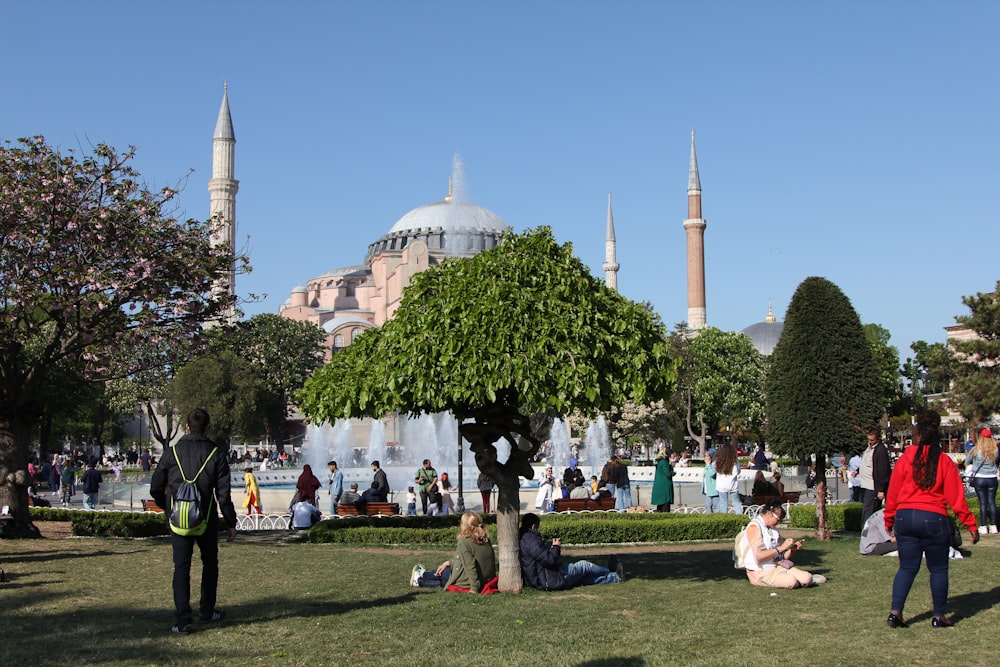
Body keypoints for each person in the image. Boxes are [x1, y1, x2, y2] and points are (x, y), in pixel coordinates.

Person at [885, 410, 978, 628]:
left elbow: (893, 493)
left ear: (917, 437)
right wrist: (971, 524)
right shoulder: (944, 461)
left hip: (905, 517)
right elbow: (957, 499)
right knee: (938, 569)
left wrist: (889, 520)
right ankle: (939, 616)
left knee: (907, 568)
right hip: (934, 518)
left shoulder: (905, 458)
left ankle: (895, 612)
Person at [150, 408, 237, 635]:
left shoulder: (171, 453)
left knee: (181, 568)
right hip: (206, 519)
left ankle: (183, 620)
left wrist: (168, 508)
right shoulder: (216, 454)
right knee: (210, 564)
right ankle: (207, 610)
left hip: (178, 519)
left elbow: (156, 487)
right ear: (207, 428)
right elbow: (224, 494)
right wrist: (230, 522)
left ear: (187, 426)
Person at [518, 513, 622, 589]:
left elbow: (539, 555)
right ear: (534, 526)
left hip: (544, 579)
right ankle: (609, 570)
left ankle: (615, 578)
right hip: (550, 578)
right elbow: (549, 560)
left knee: (583, 579)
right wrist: (556, 547)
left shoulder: (525, 538)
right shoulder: (531, 540)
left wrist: (548, 546)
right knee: (584, 566)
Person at [738, 498, 823, 589]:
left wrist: (791, 550)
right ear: (769, 514)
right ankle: (797, 580)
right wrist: (782, 547)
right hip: (760, 572)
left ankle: (804, 580)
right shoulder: (754, 527)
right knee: (791, 582)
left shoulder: (773, 529)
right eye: (778, 519)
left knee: (806, 578)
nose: (779, 522)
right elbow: (759, 557)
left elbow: (780, 558)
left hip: (777, 567)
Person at [412, 512, 498, 593]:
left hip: (466, 580)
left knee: (443, 574)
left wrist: (474, 588)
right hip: (484, 578)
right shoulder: (485, 540)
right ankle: (422, 576)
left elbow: (470, 566)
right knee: (444, 570)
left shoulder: (464, 542)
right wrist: (449, 562)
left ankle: (421, 577)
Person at [964, 428, 999, 534]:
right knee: (992, 502)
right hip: (992, 478)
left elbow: (967, 461)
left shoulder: (975, 449)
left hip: (979, 478)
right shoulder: (995, 450)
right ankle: (994, 526)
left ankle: (983, 526)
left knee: (983, 503)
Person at [859, 426, 891, 527]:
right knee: (867, 511)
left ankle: (867, 533)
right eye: (868, 439)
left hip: (873, 487)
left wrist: (881, 489)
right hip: (866, 485)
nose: (870, 442)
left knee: (870, 512)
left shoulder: (880, 450)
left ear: (877, 438)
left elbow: (883, 470)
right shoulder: (870, 448)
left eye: (872, 440)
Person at [714, 444, 742, 515]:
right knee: (736, 503)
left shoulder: (718, 461)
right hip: (733, 485)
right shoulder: (735, 462)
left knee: (723, 503)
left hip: (722, 486)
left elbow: (714, 469)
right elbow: (738, 472)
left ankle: (725, 519)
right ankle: (740, 518)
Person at [702, 448, 719, 514]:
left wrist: (708, 465)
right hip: (708, 491)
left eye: (707, 456)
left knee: (716, 507)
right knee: (707, 506)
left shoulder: (715, 464)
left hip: (714, 491)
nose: (706, 458)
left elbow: (713, 474)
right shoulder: (707, 465)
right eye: (705, 456)